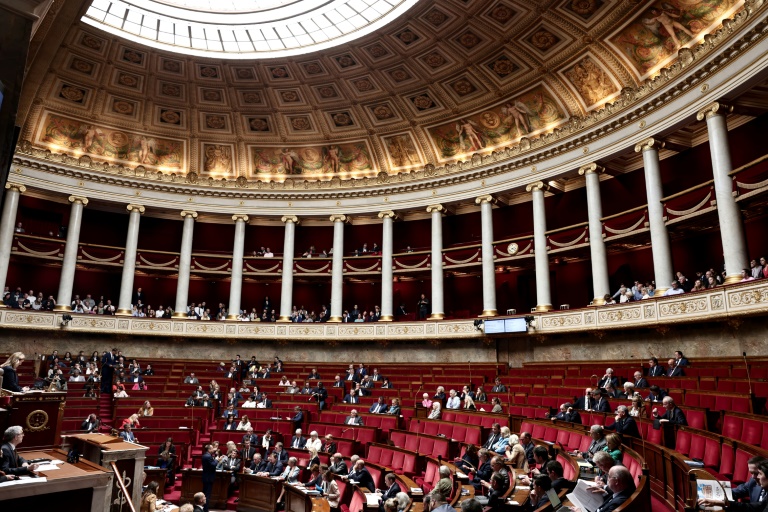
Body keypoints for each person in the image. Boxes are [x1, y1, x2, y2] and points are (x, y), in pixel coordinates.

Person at [569, 466, 636, 512]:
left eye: (609, 476)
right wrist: (604, 494)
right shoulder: (623, 491)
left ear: (616, 481)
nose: (607, 479)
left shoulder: (618, 503)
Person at [201, 444, 218, 512]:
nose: (213, 449)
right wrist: (216, 460)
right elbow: (213, 465)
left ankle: (204, 508)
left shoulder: (205, 455)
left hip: (205, 477)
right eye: (212, 448)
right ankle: (205, 509)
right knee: (207, 495)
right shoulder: (208, 457)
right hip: (209, 478)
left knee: (205, 494)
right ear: (209, 449)